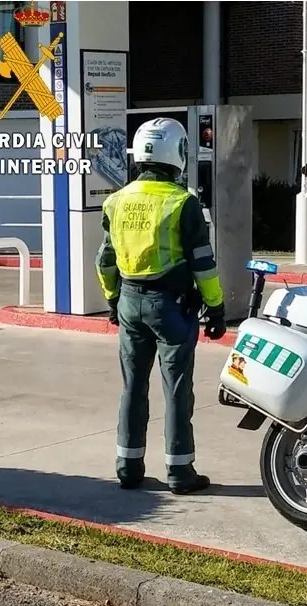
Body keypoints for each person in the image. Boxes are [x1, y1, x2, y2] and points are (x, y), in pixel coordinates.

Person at [94, 117, 227, 494]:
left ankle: (128, 467)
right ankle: (180, 472)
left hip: (129, 301)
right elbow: (203, 263)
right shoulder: (183, 203)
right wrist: (216, 308)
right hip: (172, 307)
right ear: (178, 154)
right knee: (177, 390)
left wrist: (112, 299)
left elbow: (104, 260)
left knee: (133, 387)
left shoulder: (116, 201)